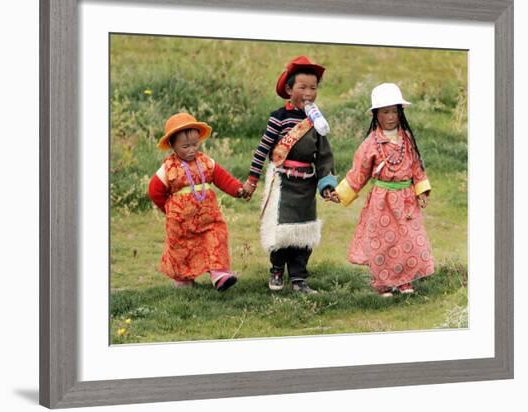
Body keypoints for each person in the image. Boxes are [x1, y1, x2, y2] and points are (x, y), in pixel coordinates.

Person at [242, 56, 339, 294]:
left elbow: (324, 156)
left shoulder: (316, 121)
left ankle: (299, 278)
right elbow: (263, 149)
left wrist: (326, 184)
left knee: (303, 232)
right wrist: (252, 180)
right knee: (281, 230)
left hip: (306, 184)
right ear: (289, 89)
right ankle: (277, 269)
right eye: (302, 87)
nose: (308, 92)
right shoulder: (279, 118)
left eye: (313, 88)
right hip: (283, 183)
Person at [334, 83, 434, 297]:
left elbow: (416, 166)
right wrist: (341, 192)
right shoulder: (371, 143)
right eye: (385, 112)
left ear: (401, 112)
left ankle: (405, 279)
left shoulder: (407, 139)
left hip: (406, 200)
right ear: (376, 114)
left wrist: (421, 189)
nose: (391, 116)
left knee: (408, 240)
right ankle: (383, 283)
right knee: (384, 243)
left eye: (394, 111)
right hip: (382, 201)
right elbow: (358, 172)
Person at [148, 112, 245, 291]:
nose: (192, 149)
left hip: (209, 218)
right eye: (185, 146)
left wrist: (238, 189)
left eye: (195, 144)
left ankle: (219, 273)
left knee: (216, 238)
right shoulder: (168, 168)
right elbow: (154, 191)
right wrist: (170, 209)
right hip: (181, 223)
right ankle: (184, 280)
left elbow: (223, 178)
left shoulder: (206, 162)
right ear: (172, 145)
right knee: (182, 250)